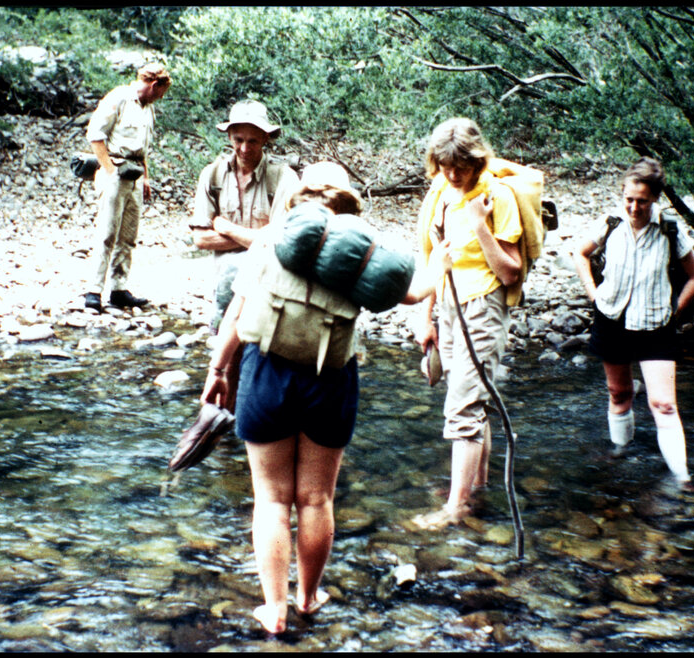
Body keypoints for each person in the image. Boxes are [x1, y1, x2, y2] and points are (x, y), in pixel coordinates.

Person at [201, 162, 451, 633]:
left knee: (271, 501)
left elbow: (235, 314)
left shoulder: (273, 239)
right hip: (330, 378)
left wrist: (217, 371)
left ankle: (274, 610)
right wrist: (441, 258)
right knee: (316, 499)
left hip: (267, 371)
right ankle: (308, 597)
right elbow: (417, 292)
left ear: (301, 197)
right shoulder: (360, 257)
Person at [411, 118, 524, 530]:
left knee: (463, 406)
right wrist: (425, 318)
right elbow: (432, 258)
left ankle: (455, 508)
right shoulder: (439, 191)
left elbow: (510, 272)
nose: (453, 175)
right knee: (473, 402)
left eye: (460, 167)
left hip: (483, 306)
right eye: (445, 166)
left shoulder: (498, 196)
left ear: (477, 161)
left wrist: (479, 224)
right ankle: (476, 487)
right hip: (448, 305)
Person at [571, 157, 694, 491]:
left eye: (642, 201)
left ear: (655, 198)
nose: (633, 207)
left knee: (664, 404)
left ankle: (683, 479)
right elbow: (580, 253)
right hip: (611, 319)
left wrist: (675, 310)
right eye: (629, 199)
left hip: (656, 324)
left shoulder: (670, 229)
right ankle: (620, 452)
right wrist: (593, 294)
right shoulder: (611, 222)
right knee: (619, 393)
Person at [188, 99, 299, 330]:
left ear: (265, 139)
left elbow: (280, 243)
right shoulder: (212, 175)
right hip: (224, 289)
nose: (245, 149)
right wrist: (258, 237)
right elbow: (201, 239)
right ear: (229, 136)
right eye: (239, 140)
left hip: (268, 284)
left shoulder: (284, 178)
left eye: (253, 141)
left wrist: (226, 228)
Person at [83, 62, 171, 312]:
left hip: (136, 174)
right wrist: (110, 170)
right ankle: (93, 290)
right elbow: (95, 135)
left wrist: (146, 178)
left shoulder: (148, 108)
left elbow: (142, 148)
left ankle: (119, 289)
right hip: (114, 170)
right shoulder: (119, 98)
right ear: (154, 85)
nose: (161, 97)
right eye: (161, 92)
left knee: (128, 235)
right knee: (107, 232)